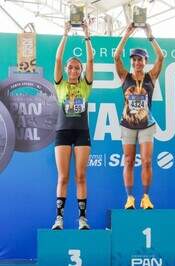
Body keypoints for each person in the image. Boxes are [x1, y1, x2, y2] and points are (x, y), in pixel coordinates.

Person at [114, 23, 164, 209]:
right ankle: (129, 198)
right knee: (128, 161)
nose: (137, 63)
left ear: (145, 61)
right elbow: (116, 56)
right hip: (127, 125)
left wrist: (150, 35)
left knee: (147, 161)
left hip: (146, 126)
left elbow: (161, 57)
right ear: (131, 62)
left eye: (140, 60)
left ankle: (145, 197)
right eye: (134, 60)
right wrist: (126, 34)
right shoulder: (125, 76)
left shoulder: (151, 77)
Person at [51, 21, 93, 230]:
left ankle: (82, 218)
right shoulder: (61, 84)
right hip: (63, 132)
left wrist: (87, 35)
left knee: (81, 176)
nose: (74, 70)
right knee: (63, 176)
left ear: (81, 70)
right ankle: (59, 218)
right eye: (71, 67)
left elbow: (91, 58)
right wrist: (65, 33)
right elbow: (58, 58)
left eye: (77, 67)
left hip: (82, 132)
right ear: (67, 70)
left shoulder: (85, 86)